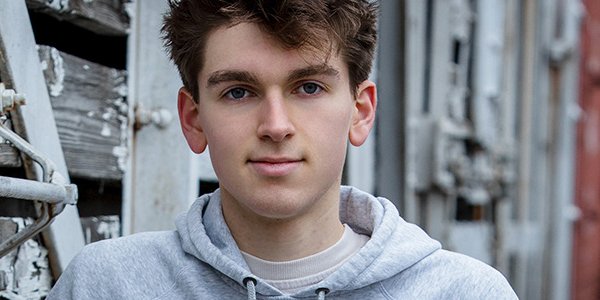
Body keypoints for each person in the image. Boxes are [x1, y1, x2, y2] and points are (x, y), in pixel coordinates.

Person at [47, 0, 518, 299]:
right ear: (193, 119)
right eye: (238, 92)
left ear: (360, 112)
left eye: (309, 87)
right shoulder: (106, 285)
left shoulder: (463, 292)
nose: (276, 126)